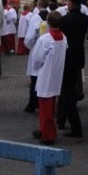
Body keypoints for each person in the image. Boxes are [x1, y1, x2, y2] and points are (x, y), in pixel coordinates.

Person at [58, 0, 88, 140]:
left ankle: (75, 126)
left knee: (67, 93)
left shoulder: (65, 19)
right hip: (78, 58)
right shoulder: (84, 18)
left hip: (67, 58)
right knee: (68, 91)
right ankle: (61, 120)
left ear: (71, 2)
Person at [32, 11, 68, 146]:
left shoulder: (45, 39)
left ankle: (48, 135)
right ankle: (43, 129)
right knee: (49, 105)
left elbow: (36, 59)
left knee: (45, 106)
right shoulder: (63, 38)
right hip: (57, 75)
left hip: (46, 75)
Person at [24, 0, 50, 113]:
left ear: (38, 5)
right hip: (49, 50)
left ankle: (32, 103)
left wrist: (30, 47)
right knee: (46, 76)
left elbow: (30, 38)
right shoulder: (52, 15)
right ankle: (46, 102)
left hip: (37, 48)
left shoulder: (35, 18)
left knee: (35, 78)